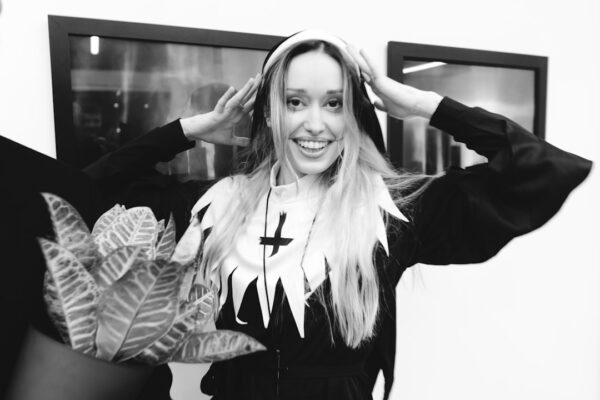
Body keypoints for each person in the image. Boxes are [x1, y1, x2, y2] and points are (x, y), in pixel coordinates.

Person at [85, 30, 592, 400]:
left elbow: (545, 170)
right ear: (268, 112)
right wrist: (190, 129)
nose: (315, 123)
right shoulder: (217, 203)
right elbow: (95, 187)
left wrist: (424, 105)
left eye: (334, 103)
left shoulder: (390, 210)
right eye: (295, 101)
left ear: (353, 115)